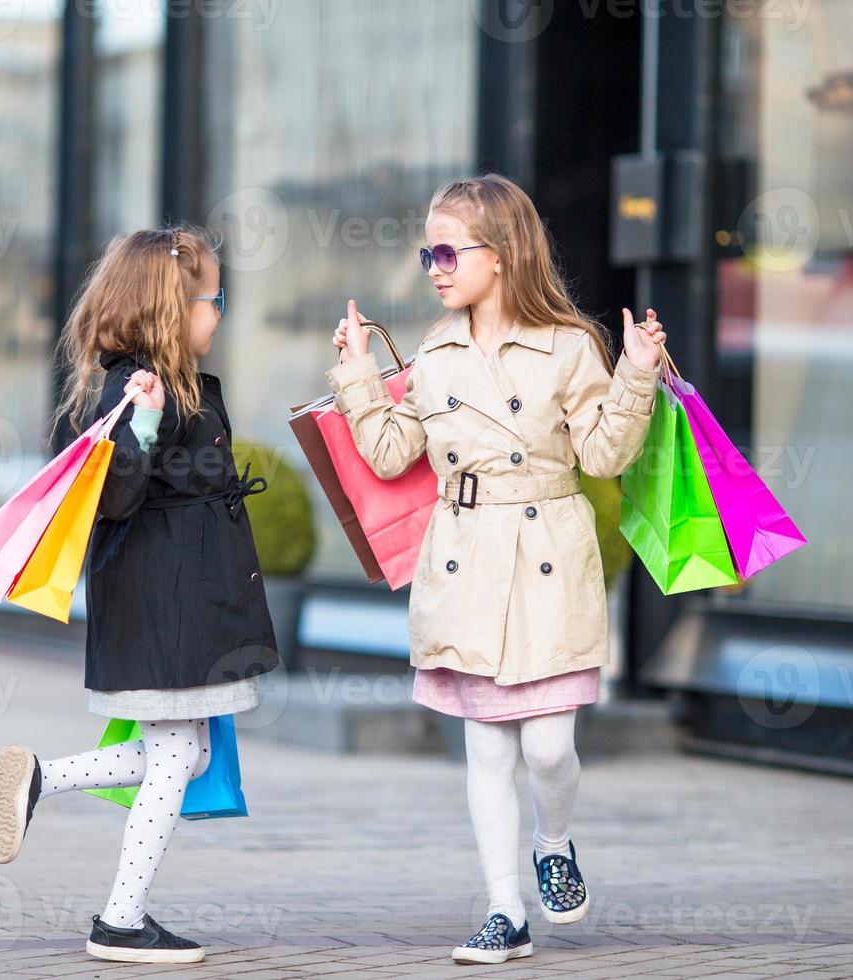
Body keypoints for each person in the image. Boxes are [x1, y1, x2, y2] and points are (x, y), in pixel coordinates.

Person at [328, 174, 666, 966]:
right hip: (465, 557)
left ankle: (555, 841)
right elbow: (385, 453)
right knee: (487, 751)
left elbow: (606, 454)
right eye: (427, 253)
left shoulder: (571, 346)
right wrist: (353, 374)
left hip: (549, 552)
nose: (435, 267)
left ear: (503, 255)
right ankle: (504, 911)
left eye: (448, 250)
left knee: (548, 748)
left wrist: (639, 369)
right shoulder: (435, 354)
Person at [0, 225, 279, 965]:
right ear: (173, 309)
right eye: (217, 300)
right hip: (165, 605)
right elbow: (114, 496)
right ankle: (120, 918)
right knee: (177, 756)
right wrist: (141, 422)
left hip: (174, 603)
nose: (221, 315)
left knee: (183, 750)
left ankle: (44, 778)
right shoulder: (136, 392)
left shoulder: (161, 385)